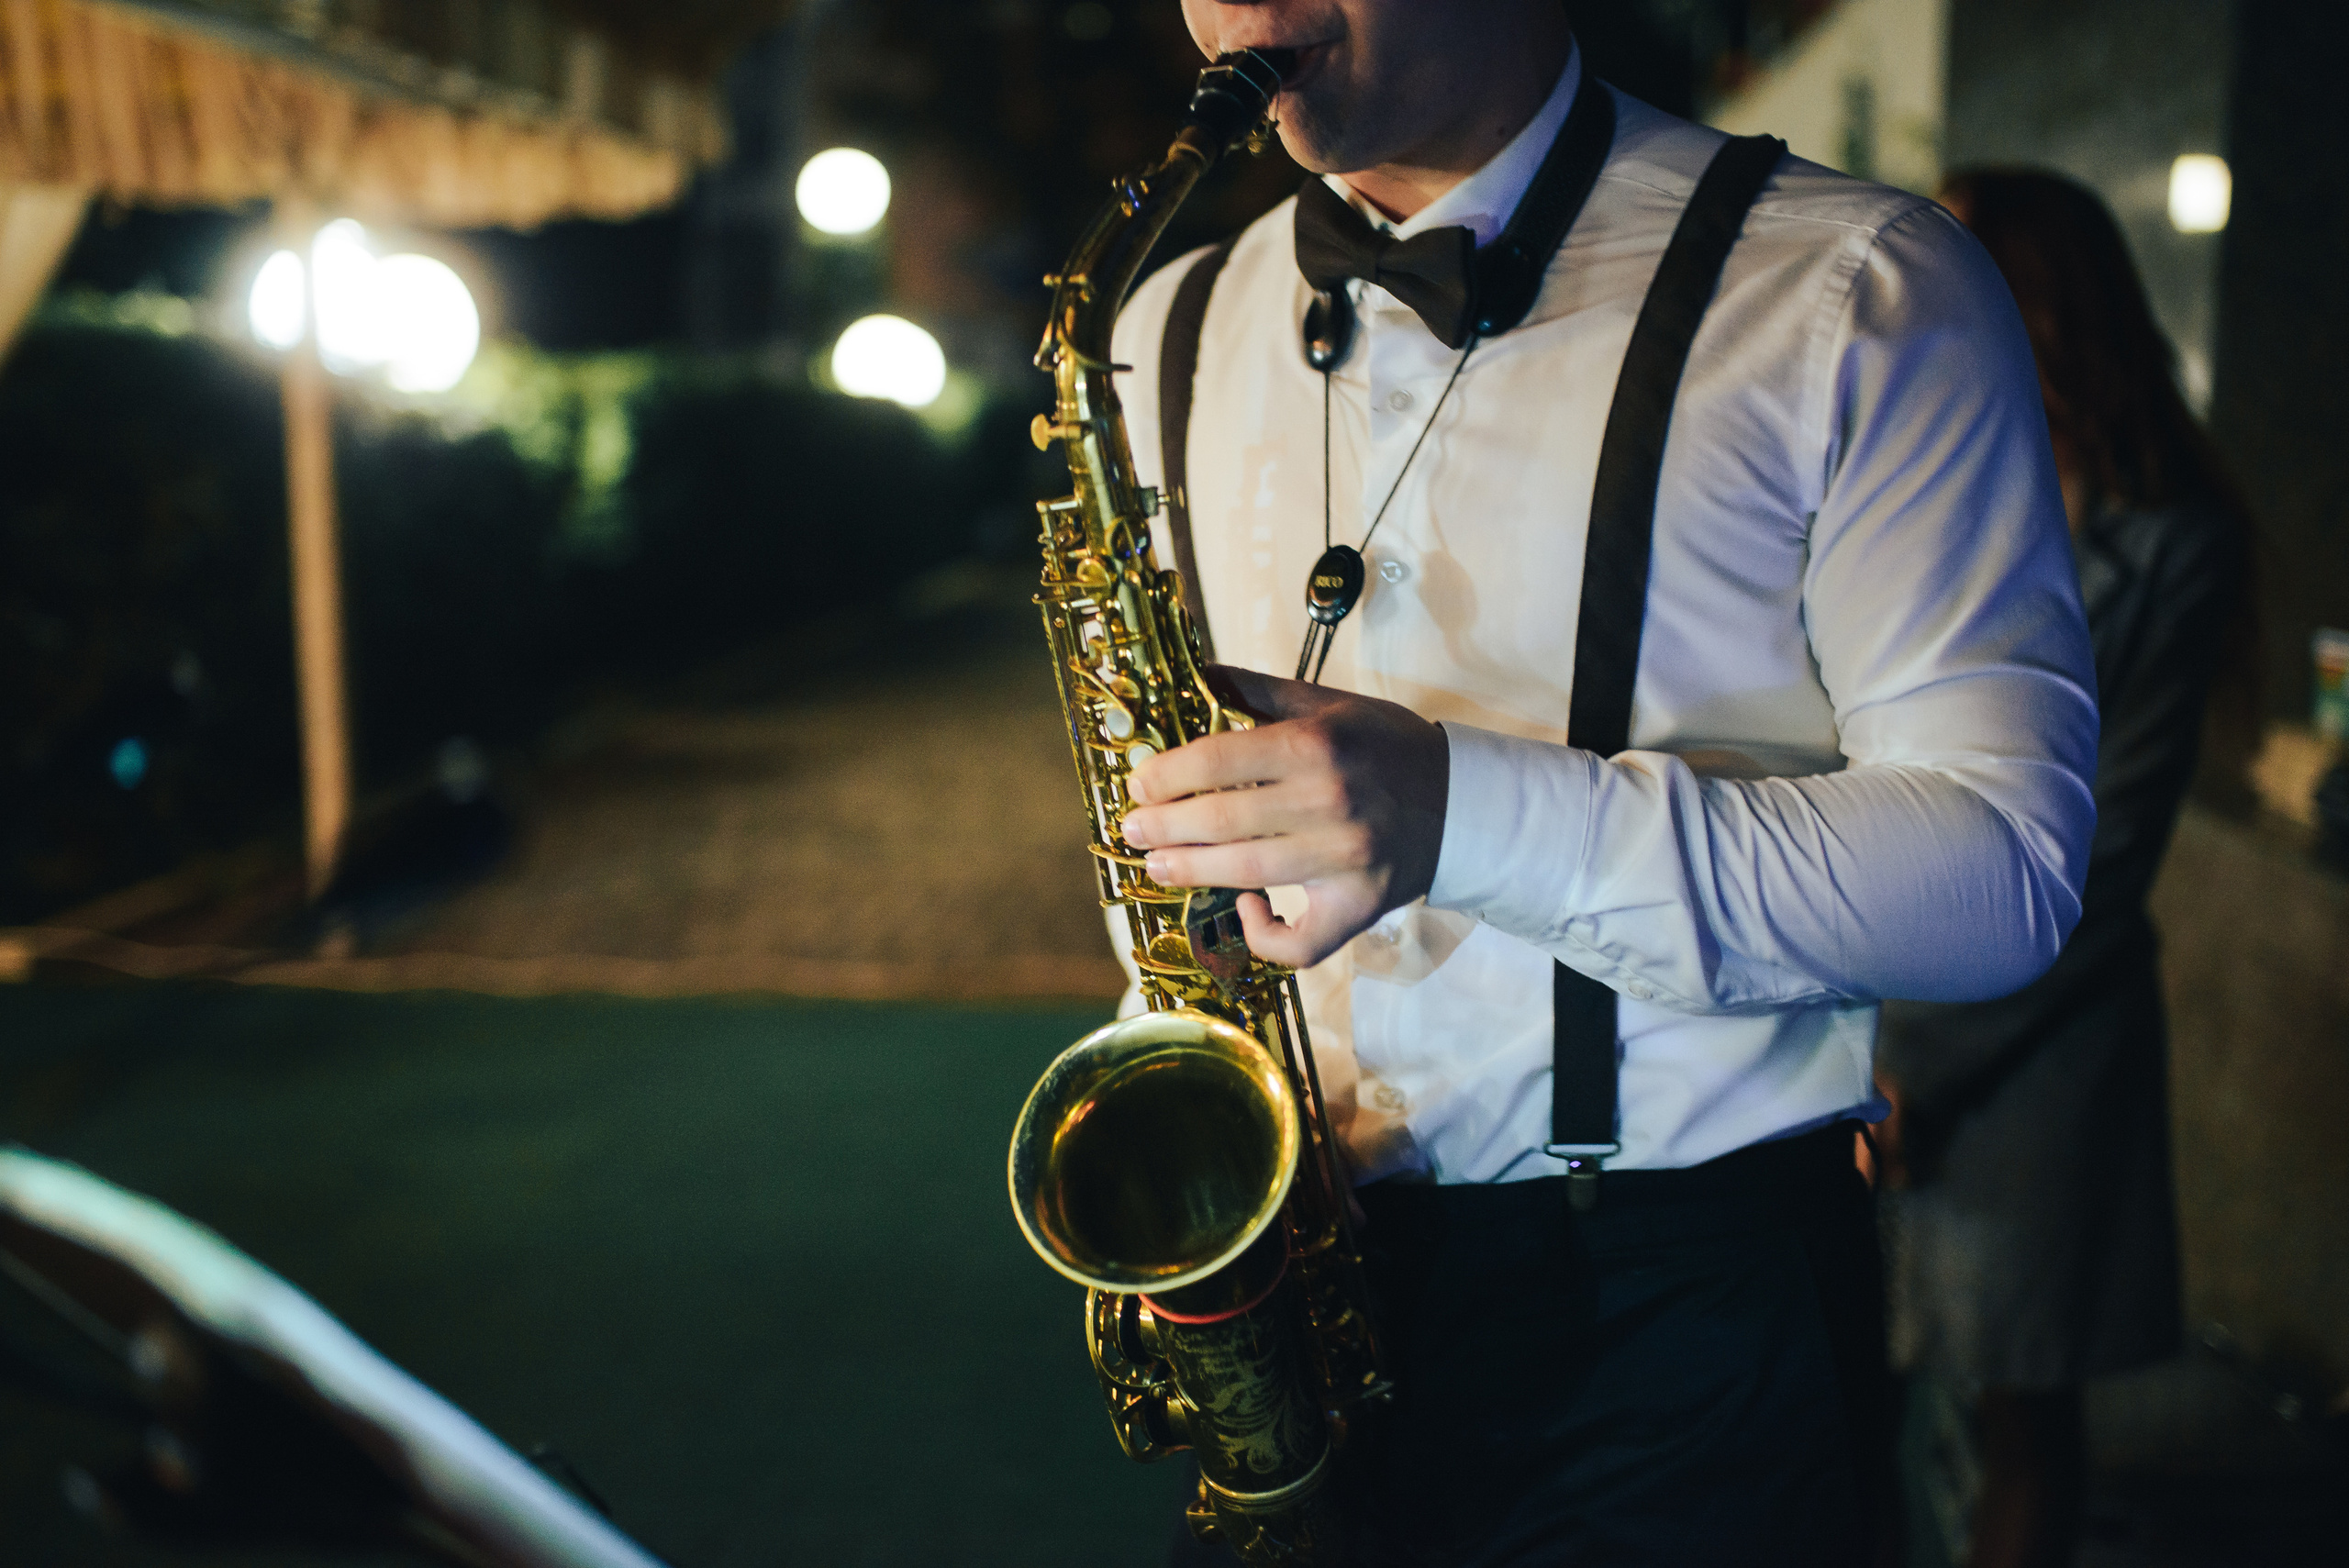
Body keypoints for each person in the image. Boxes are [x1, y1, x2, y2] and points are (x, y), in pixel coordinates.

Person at [1106, 3, 2098, 1562]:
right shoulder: (1156, 321)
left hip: (1687, 1319)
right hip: (1300, 1287)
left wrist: (1459, 813)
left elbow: (2004, 869)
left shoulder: (1857, 287)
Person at [1874, 168, 2252, 1568]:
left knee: (2025, 1418)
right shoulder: (1925, 484)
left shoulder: (2175, 542)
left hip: (2033, 1047)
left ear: (2042, 301)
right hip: (1880, 1027)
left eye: (1955, 270)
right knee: (1863, 1402)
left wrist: (1913, 1059)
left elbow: (2102, 856)